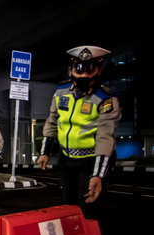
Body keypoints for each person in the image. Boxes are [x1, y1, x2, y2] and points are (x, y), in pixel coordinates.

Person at [37, 46, 122, 220]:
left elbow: (105, 137)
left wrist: (97, 174)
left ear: (99, 70)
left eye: (90, 70)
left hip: (91, 161)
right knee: (68, 208)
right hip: (66, 159)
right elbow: (52, 120)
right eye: (79, 69)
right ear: (70, 70)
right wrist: (44, 152)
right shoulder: (61, 91)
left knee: (87, 209)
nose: (84, 75)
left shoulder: (107, 99)